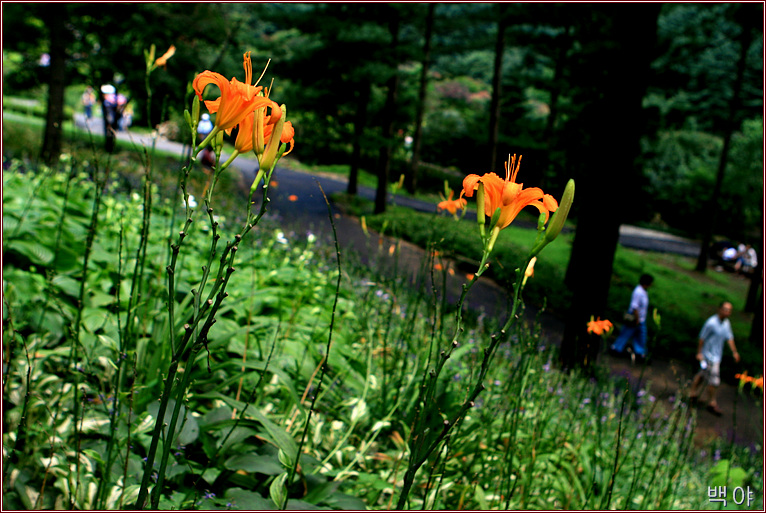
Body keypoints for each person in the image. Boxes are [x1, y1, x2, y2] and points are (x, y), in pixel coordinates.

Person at [689, 301, 740, 416]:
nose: (727, 312)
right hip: (708, 356)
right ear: (720, 309)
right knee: (714, 381)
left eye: (729, 310)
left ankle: (692, 394)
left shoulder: (726, 323)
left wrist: (734, 352)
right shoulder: (711, 323)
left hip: (717, 356)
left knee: (701, 375)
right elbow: (701, 338)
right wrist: (699, 353)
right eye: (725, 309)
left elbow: (729, 337)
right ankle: (712, 403)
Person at [610, 273, 654, 362]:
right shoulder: (638, 292)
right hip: (635, 318)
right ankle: (616, 348)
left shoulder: (643, 291)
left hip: (641, 319)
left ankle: (640, 353)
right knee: (626, 333)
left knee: (641, 337)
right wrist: (637, 319)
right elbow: (635, 307)